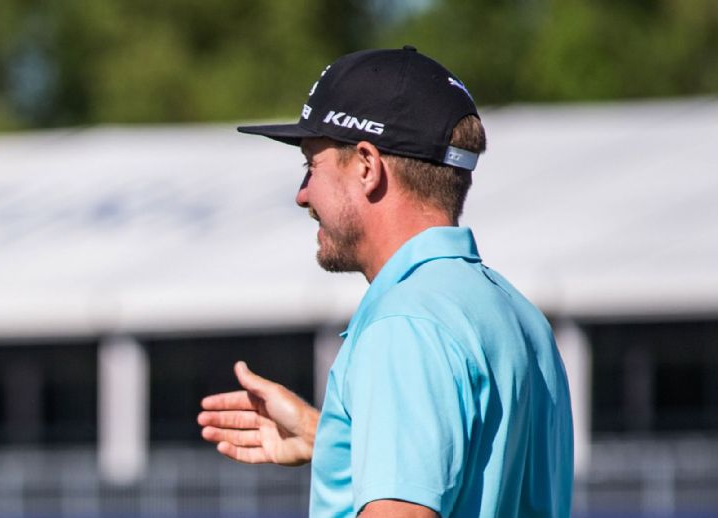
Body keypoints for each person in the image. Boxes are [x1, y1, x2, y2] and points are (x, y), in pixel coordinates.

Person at [197, 47, 573, 517]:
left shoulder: (405, 324)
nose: (302, 195)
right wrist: (333, 438)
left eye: (311, 166)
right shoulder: (518, 316)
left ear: (367, 166)